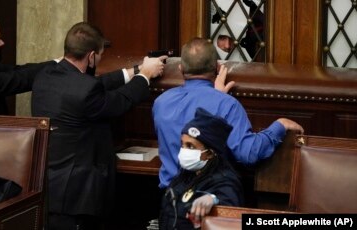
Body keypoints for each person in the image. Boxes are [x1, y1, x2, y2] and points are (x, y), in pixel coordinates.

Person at [31, 22, 166, 230]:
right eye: (101, 55)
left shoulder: (46, 75)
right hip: (77, 193)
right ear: (91, 56)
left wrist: (136, 70)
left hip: (49, 184)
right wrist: (145, 76)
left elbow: (94, 85)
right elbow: (119, 101)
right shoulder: (85, 90)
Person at [152, 37, 304, 189]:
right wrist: (279, 125)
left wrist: (217, 97)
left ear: (181, 68)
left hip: (170, 200)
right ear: (218, 67)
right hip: (210, 200)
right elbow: (249, 153)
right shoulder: (226, 104)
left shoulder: (161, 102)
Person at [159, 107, 244, 230]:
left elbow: (229, 205)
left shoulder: (225, 180)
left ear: (209, 153)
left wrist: (214, 199)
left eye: (191, 146)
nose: (184, 151)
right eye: (182, 144)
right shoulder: (186, 175)